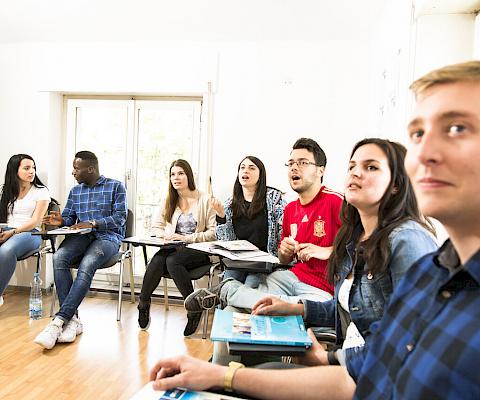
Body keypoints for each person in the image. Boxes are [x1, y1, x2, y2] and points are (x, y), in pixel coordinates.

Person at [146, 61, 480, 399]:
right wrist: (220, 376)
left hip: (315, 293)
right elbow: (368, 366)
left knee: (240, 310)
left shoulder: (405, 241)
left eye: (456, 128)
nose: (424, 153)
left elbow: (368, 363)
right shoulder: (434, 266)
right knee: (237, 297)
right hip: (302, 294)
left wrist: (321, 341)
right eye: (418, 135)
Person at [252, 138, 437, 367]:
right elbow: (349, 307)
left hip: (371, 377)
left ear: (396, 185)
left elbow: (410, 342)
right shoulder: (354, 239)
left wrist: (328, 359)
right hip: (348, 363)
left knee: (258, 373)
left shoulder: (407, 241)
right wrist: (295, 308)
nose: (355, 173)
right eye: (351, 167)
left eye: (371, 167)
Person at [184, 138, 343, 328]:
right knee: (231, 313)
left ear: (320, 170)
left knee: (296, 307)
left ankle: (228, 291)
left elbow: (363, 248)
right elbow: (284, 259)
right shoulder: (291, 209)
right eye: (291, 163)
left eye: (302, 163)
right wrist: (285, 251)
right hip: (289, 276)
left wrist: (326, 251)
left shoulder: (336, 202)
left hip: (321, 287)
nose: (294, 168)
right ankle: (245, 302)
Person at [34, 151, 127, 350]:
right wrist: (60, 221)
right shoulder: (76, 191)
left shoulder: (116, 186)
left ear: (90, 169)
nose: (73, 172)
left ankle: (59, 321)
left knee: (87, 264)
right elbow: (69, 218)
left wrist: (93, 223)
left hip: (108, 237)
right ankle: (73, 319)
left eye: (76, 168)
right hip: (81, 237)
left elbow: (120, 218)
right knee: (59, 257)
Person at [138, 159, 216, 336]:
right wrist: (164, 236)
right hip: (173, 248)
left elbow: (213, 233)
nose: (176, 177)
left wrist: (185, 237)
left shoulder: (204, 200)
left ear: (189, 175)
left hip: (198, 250)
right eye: (173, 174)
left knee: (172, 261)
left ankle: (193, 308)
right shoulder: (169, 200)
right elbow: (156, 227)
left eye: (180, 173)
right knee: (158, 260)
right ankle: (143, 303)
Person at [210, 156, 285, 287]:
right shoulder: (229, 204)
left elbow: (284, 232)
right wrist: (221, 216)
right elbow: (227, 242)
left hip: (264, 261)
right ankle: (216, 300)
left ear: (260, 175)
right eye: (242, 168)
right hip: (239, 260)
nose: (245, 171)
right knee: (228, 285)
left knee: (249, 288)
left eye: (251, 168)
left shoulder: (274, 199)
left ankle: (215, 297)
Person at [0, 154, 50, 306]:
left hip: (30, 233)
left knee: (6, 250)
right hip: (7, 229)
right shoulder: (6, 191)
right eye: (27, 168)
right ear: (15, 171)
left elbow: (36, 221)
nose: (32, 171)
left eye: (33, 168)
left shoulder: (41, 191)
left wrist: (13, 232)